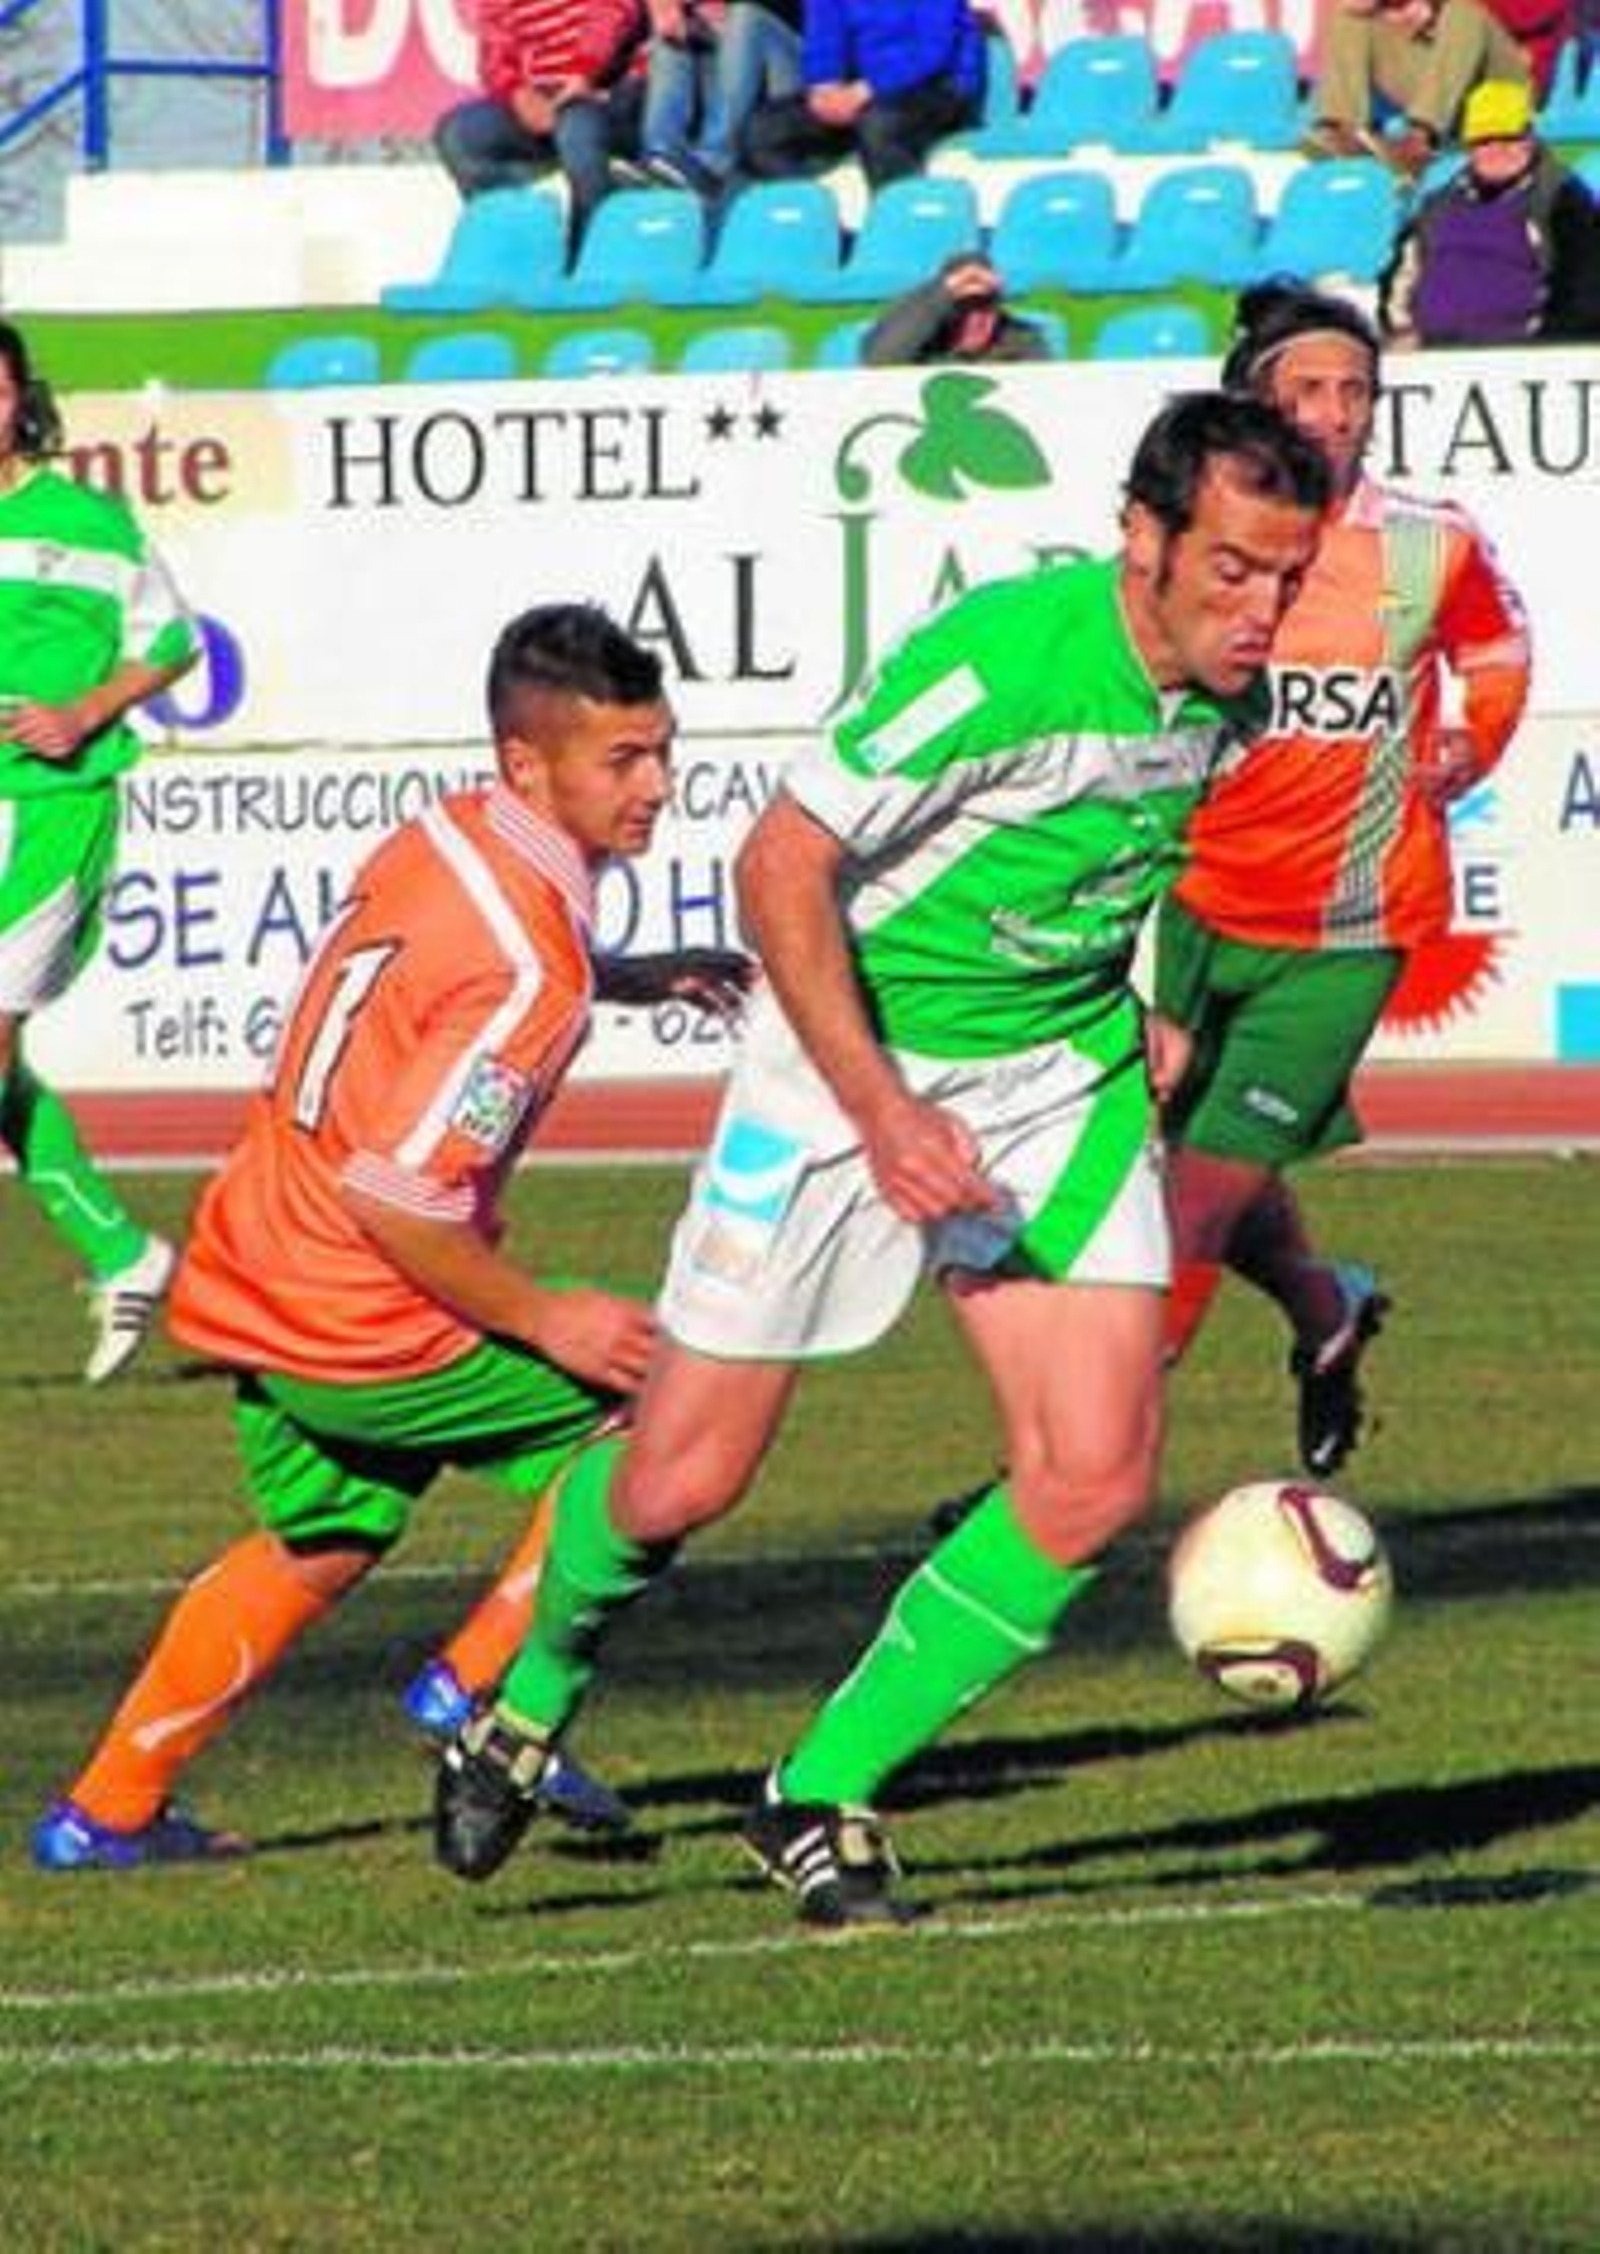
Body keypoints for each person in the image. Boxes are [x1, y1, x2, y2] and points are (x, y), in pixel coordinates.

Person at [430, 391, 1331, 1927]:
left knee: (1093, 1469)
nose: (1261, 608)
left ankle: (820, 1789)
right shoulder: (1003, 661)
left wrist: (1133, 1011)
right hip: (847, 1062)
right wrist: (884, 1109)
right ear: (1144, 536)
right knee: (681, 1473)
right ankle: (533, 1692)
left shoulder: (1226, 705)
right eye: (1233, 568)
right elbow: (781, 859)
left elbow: (1107, 861)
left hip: (1056, 1081)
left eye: (1286, 576)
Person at [30, 604, 712, 1871]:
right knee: (675, 1418)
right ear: (528, 763)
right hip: (359, 1301)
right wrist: (542, 1314)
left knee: (320, 1540)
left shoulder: (445, 834)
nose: (657, 786)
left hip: (253, 1256)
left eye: (661, 751)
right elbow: (396, 1196)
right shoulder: (533, 978)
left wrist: (633, 971)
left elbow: (446, 973)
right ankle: (480, 1697)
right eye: (623, 760)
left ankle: (106, 1809)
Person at [1155, 281, 1532, 1478]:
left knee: (1190, 1212)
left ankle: (1060, 1477)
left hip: (1343, 929)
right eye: (1306, 388)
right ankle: (1327, 1317)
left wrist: (1481, 733)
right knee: (1204, 1159)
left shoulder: (1427, 540)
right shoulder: (1211, 534)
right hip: (1197, 905)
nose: (1334, 412)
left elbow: (1497, 646)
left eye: (1354, 391)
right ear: (1253, 397)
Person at [0, 320, 200, 1386]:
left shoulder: (86, 522)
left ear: (17, 396)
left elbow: (171, 643)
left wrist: (82, 710)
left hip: (49, 811)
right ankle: (125, 1251)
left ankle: (129, 1252)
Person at [1380, 77, 1600, 344]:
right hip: (1430, 353)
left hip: (1524, 355)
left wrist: (1545, 344)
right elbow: (1401, 276)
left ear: (1529, 138)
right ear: (1469, 147)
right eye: (1485, 140)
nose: (1497, 150)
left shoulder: (1563, 200)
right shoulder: (1438, 204)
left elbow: (1584, 289)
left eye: (1509, 138)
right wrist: (1400, 331)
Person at [434, 0, 650, 252]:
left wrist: (584, 71)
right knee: (460, 136)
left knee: (576, 126)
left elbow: (612, 11)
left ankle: (589, 254)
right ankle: (521, 248)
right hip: (547, 97)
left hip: (608, 91)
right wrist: (516, 93)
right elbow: (494, 44)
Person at [741, 0, 986, 188]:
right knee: (763, 131)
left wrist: (865, 90)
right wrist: (823, 88)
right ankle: (821, 218)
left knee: (880, 124)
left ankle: (895, 225)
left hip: (940, 86)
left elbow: (931, 51)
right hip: (865, 93)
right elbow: (823, 39)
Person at [1302, 0, 1532, 178]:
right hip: (1441, 74)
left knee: (1463, 12)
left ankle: (1418, 137)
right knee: (1353, 15)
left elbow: (1532, 14)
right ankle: (1339, 130)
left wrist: (1435, 4)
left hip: (1500, 83)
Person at [629, 0, 803, 192]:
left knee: (744, 15)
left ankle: (711, 163)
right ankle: (662, 155)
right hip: (731, 66)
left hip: (792, 68)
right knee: (671, 31)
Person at [863, 251, 1053, 365]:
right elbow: (881, 361)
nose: (976, 319)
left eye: (984, 306)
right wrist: (945, 289)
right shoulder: (920, 337)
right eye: (964, 307)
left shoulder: (1020, 337)